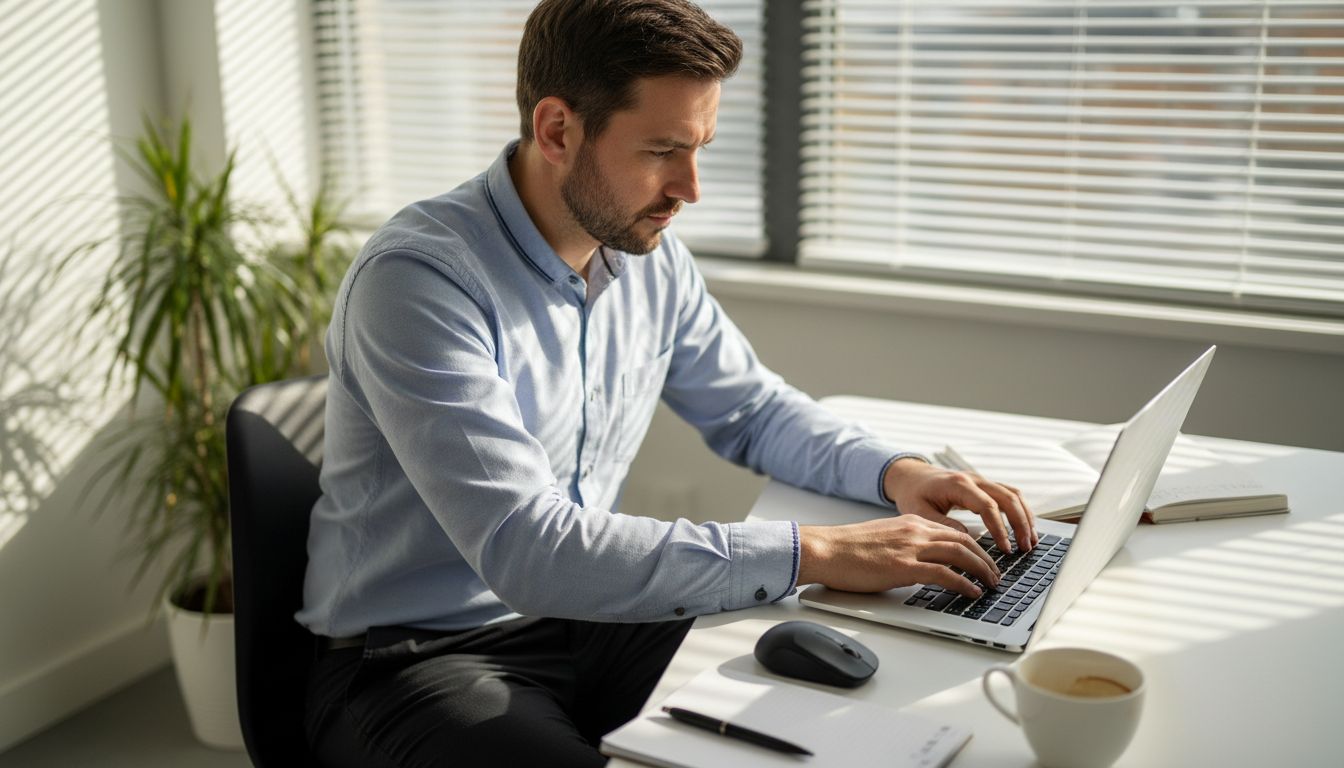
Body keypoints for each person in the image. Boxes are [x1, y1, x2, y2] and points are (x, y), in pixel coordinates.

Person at [298, 0, 1037, 765]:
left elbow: (751, 410)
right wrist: (812, 549)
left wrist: (897, 472)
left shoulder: (644, 255)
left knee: (837, 705)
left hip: (589, 617)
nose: (690, 187)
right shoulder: (419, 282)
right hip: (415, 657)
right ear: (557, 130)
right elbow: (529, 550)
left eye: (701, 148)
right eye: (662, 150)